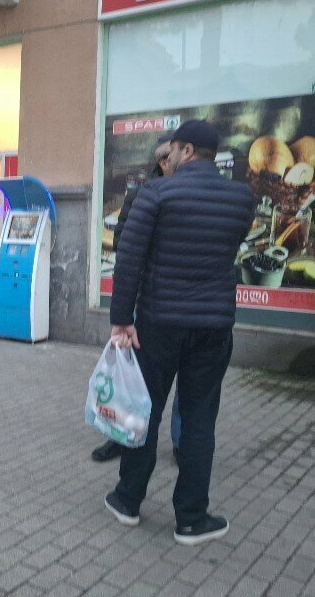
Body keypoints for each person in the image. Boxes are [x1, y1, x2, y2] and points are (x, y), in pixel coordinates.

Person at [103, 119, 254, 546]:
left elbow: (129, 259)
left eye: (170, 151)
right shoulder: (242, 198)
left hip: (159, 324)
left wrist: (121, 320)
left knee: (144, 412)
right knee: (200, 419)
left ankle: (127, 501)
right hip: (213, 327)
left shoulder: (156, 192)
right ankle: (191, 518)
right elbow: (227, 249)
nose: (167, 158)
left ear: (186, 150)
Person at [92, 137, 183, 463]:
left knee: (183, 385)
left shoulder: (191, 196)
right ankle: (119, 436)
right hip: (144, 298)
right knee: (130, 377)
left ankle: (181, 445)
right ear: (164, 161)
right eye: (175, 155)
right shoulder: (141, 195)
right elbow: (121, 243)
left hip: (176, 305)